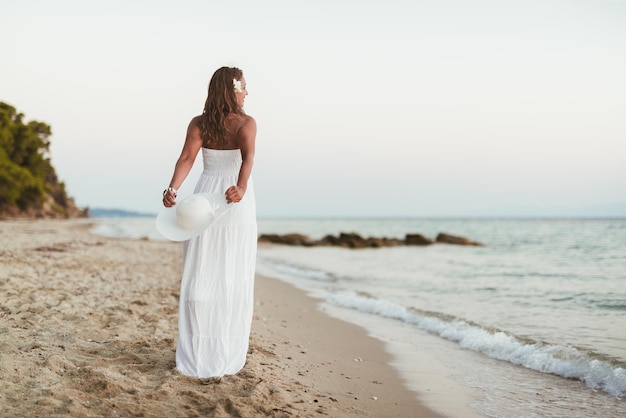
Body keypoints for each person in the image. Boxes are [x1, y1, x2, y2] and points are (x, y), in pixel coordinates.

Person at [162, 66, 257, 378]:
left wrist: (174, 188)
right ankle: (218, 352)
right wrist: (241, 187)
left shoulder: (200, 122)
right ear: (231, 90)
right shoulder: (246, 122)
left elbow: (187, 159)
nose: (247, 92)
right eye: (243, 87)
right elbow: (247, 160)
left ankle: (202, 351)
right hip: (233, 198)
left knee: (202, 268)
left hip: (208, 195)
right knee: (229, 270)